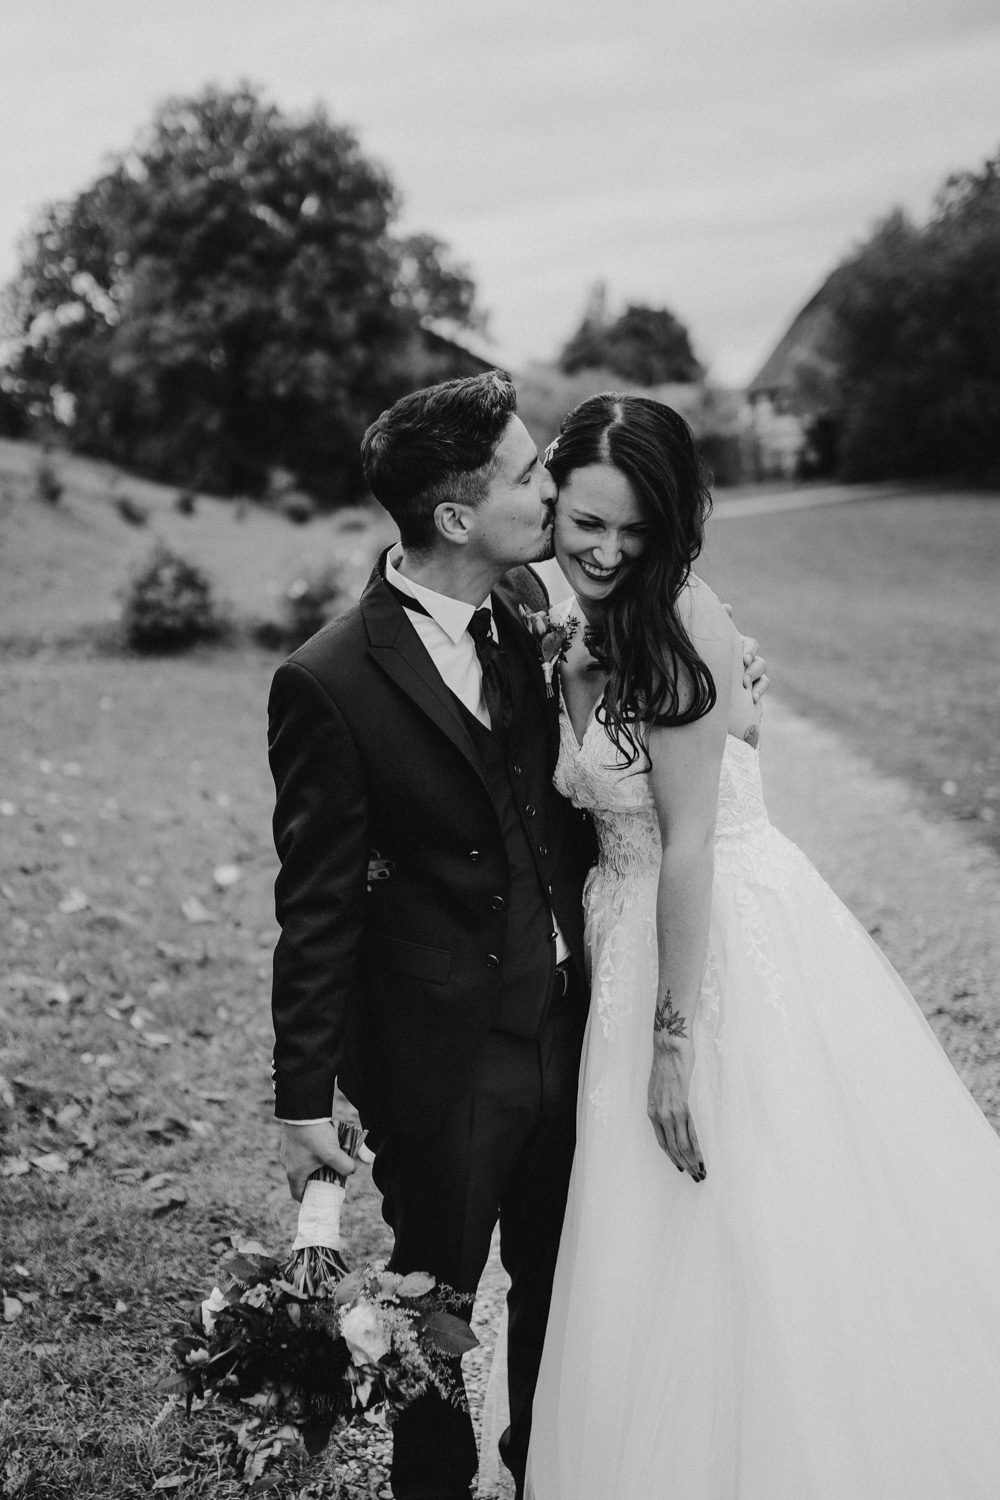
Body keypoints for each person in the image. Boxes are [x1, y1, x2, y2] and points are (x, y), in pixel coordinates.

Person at [267, 370, 766, 1500]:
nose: (550, 488)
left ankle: (545, 1471)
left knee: (564, 1289)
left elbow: (654, 702)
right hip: (442, 1058)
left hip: (575, 1023)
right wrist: (304, 1097)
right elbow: (317, 903)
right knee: (435, 1310)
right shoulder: (329, 681)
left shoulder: (535, 614)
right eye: (531, 472)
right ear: (456, 516)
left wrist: (731, 676)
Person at [514, 393, 1000, 1499]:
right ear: (551, 496)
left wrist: (671, 1043)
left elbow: (688, 845)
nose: (604, 550)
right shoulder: (562, 613)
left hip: (712, 940)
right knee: (650, 1231)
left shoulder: (676, 618)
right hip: (624, 936)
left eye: (635, 531)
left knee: (751, 1201)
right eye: (586, 523)